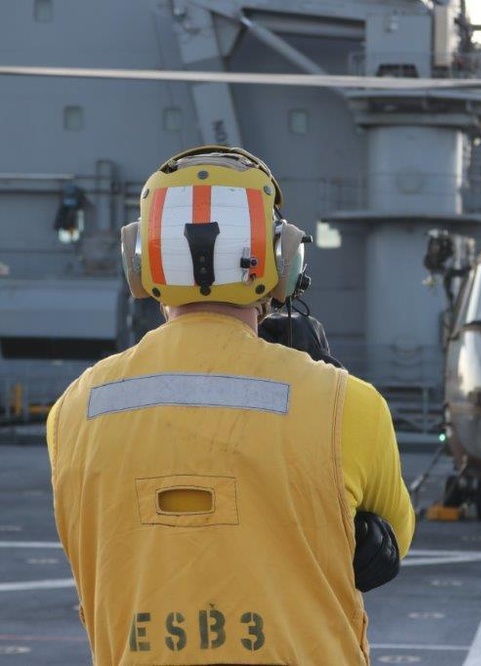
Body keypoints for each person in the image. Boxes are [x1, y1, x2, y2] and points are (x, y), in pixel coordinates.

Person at [46, 145, 415, 665]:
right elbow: (390, 542)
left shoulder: (73, 412)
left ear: (140, 260)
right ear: (284, 259)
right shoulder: (347, 405)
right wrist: (316, 377)